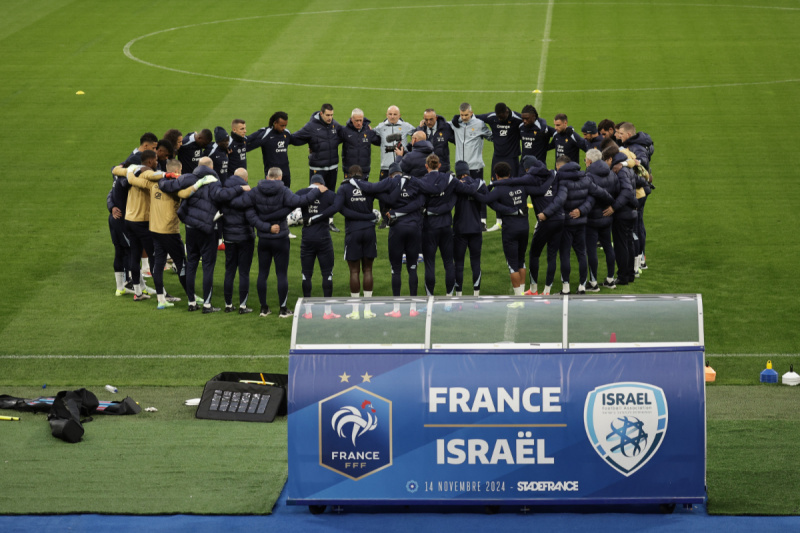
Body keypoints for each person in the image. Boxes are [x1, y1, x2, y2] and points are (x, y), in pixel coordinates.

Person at [243, 167, 325, 318]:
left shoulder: (255, 191)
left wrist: (265, 227)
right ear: (280, 178)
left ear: (268, 177)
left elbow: (248, 212)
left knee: (262, 273)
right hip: (280, 238)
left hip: (264, 238)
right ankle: (283, 309)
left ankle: (264, 308)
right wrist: (318, 190)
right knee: (281, 274)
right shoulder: (284, 191)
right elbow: (302, 201)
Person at [125, 159, 205, 308]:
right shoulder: (174, 188)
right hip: (170, 231)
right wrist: (199, 184)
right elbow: (186, 193)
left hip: (154, 230)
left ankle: (161, 300)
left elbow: (133, 180)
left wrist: (130, 170)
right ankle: (191, 297)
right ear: (177, 171)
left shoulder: (153, 184)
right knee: (182, 264)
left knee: (158, 264)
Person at [170, 157, 243, 312]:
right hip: (207, 230)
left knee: (192, 264)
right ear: (211, 167)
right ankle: (207, 305)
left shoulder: (190, 179)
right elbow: (220, 197)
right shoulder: (213, 181)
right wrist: (239, 189)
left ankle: (191, 302)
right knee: (208, 266)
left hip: (190, 228)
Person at [356, 163, 426, 317]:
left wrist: (354, 182)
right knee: (413, 268)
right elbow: (422, 199)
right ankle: (413, 308)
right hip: (414, 228)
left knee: (396, 269)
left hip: (397, 229)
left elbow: (372, 189)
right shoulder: (414, 181)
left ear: (391, 175)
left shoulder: (389, 183)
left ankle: (396, 309)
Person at [492, 156, 566, 296]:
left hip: (545, 220)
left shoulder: (531, 181)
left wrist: (494, 186)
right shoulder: (554, 175)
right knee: (552, 255)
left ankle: (533, 289)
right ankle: (547, 291)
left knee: (534, 254)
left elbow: (524, 186)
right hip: (560, 218)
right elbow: (559, 196)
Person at [336, 165, 393, 318]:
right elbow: (386, 199)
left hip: (353, 232)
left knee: (354, 271)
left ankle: (355, 311)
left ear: (348, 175)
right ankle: (367, 310)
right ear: (362, 175)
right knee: (368, 270)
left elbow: (340, 209)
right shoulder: (368, 187)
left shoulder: (343, 188)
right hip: (369, 231)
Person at [555, 155, 613, 295]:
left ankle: (566, 288)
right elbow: (601, 194)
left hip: (566, 223)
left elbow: (558, 201)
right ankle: (582, 286)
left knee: (565, 254)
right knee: (582, 253)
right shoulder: (586, 179)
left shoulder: (561, 181)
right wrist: (582, 210)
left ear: (561, 167)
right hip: (581, 223)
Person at [112, 150, 163, 301]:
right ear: (149, 162)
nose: (157, 162)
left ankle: (138, 293)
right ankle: (162, 294)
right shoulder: (146, 177)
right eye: (155, 160)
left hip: (129, 220)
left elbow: (114, 169)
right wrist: (169, 175)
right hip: (142, 221)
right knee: (154, 256)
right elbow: (157, 178)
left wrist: (130, 170)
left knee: (134, 255)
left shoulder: (129, 174)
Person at [291, 104, 343, 232]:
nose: (330, 118)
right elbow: (296, 138)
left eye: (332, 115)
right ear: (321, 113)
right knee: (315, 194)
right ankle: (312, 219)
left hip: (333, 166)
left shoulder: (334, 125)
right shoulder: (311, 126)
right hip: (317, 167)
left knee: (330, 193)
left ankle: (329, 221)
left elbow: (345, 133)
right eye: (328, 115)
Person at [296, 174, 341, 320]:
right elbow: (339, 205)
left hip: (307, 238)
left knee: (306, 274)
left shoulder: (302, 193)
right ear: (322, 184)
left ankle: (307, 312)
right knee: (327, 273)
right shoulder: (329, 194)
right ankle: (327, 312)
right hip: (323, 238)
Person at [217, 168, 255, 314]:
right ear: (245, 179)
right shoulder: (248, 194)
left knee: (229, 271)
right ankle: (243, 306)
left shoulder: (224, 192)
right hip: (245, 237)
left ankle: (228, 305)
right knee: (244, 272)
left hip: (229, 237)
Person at [450, 103, 493, 231]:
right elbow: (441, 123)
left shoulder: (479, 124)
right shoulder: (455, 123)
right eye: (462, 115)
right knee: (459, 194)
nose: (464, 117)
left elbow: (492, 136)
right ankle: (460, 220)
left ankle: (482, 221)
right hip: (460, 168)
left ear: (471, 112)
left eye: (466, 115)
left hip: (475, 166)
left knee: (479, 192)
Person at [373, 105, 416, 228]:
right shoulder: (381, 127)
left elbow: (418, 134)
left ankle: (397, 216)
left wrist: (407, 150)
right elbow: (370, 134)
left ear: (399, 115)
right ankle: (385, 220)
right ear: (386, 115)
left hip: (401, 167)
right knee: (383, 193)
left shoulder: (406, 126)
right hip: (386, 167)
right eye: (390, 114)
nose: (392, 116)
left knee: (401, 193)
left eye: (395, 114)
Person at [601, 148, 638, 286]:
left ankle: (623, 276)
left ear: (610, 159)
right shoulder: (626, 167)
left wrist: (614, 207)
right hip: (630, 212)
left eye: (606, 161)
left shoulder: (621, 170)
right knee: (629, 242)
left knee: (621, 245)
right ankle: (630, 274)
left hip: (623, 213)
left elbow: (627, 191)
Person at [583, 149, 617, 291]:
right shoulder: (612, 174)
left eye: (585, 160)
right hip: (607, 216)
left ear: (590, 161)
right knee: (608, 246)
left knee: (591, 250)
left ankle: (593, 282)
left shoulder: (588, 176)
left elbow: (586, 195)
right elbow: (617, 190)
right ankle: (610, 279)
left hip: (592, 218)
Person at [451, 160, 485, 296]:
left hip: (460, 230)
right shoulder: (478, 183)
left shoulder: (455, 185)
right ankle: (476, 295)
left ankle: (459, 296)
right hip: (476, 229)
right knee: (475, 262)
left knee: (458, 264)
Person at [477, 102, 523, 176]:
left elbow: (535, 120)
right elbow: (474, 117)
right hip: (497, 156)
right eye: (498, 117)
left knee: (513, 182)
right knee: (495, 182)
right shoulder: (492, 117)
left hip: (512, 157)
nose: (500, 119)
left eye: (502, 117)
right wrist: (457, 117)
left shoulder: (517, 118)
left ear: (507, 112)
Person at [250, 111, 293, 188]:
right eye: (282, 125)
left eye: (285, 125)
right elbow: (250, 146)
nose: (284, 128)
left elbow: (297, 141)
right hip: (272, 175)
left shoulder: (286, 133)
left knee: (286, 197)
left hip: (285, 173)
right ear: (275, 123)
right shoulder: (266, 134)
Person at [339, 108, 379, 183]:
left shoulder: (368, 131)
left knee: (364, 193)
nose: (359, 123)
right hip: (349, 170)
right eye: (356, 120)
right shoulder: (345, 131)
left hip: (364, 170)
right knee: (348, 192)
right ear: (351, 119)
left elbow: (380, 141)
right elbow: (332, 141)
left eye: (360, 120)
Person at [416, 108, 454, 173]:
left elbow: (458, 141)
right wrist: (419, 129)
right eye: (426, 120)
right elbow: (413, 146)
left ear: (436, 118)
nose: (428, 122)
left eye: (431, 119)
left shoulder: (445, 128)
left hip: (442, 168)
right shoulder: (421, 130)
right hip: (426, 168)